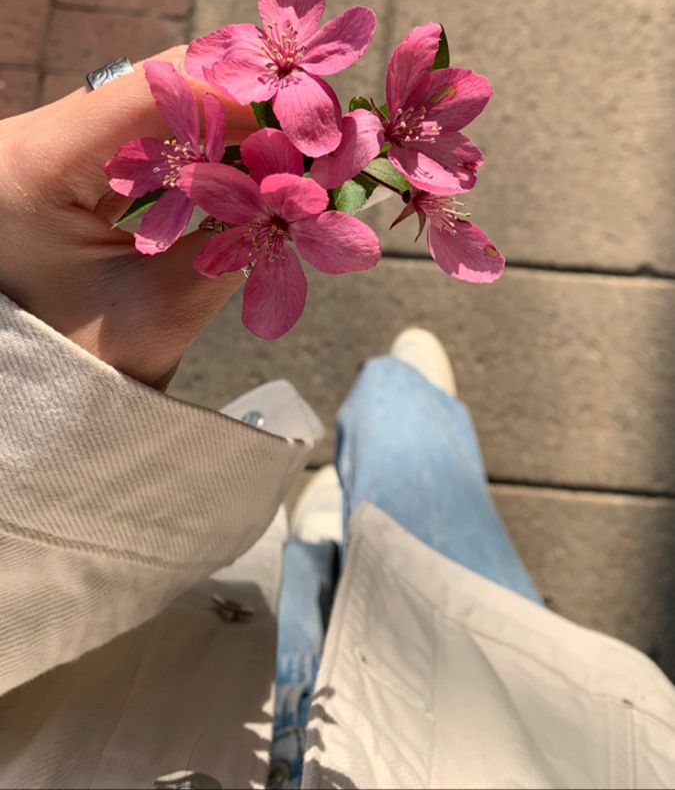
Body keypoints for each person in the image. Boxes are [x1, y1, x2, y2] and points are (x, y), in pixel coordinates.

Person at [0, 49, 673, 790]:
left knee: (394, 421)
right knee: (403, 415)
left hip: (184, 663)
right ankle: (338, 521)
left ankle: (318, 537)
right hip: (480, 697)